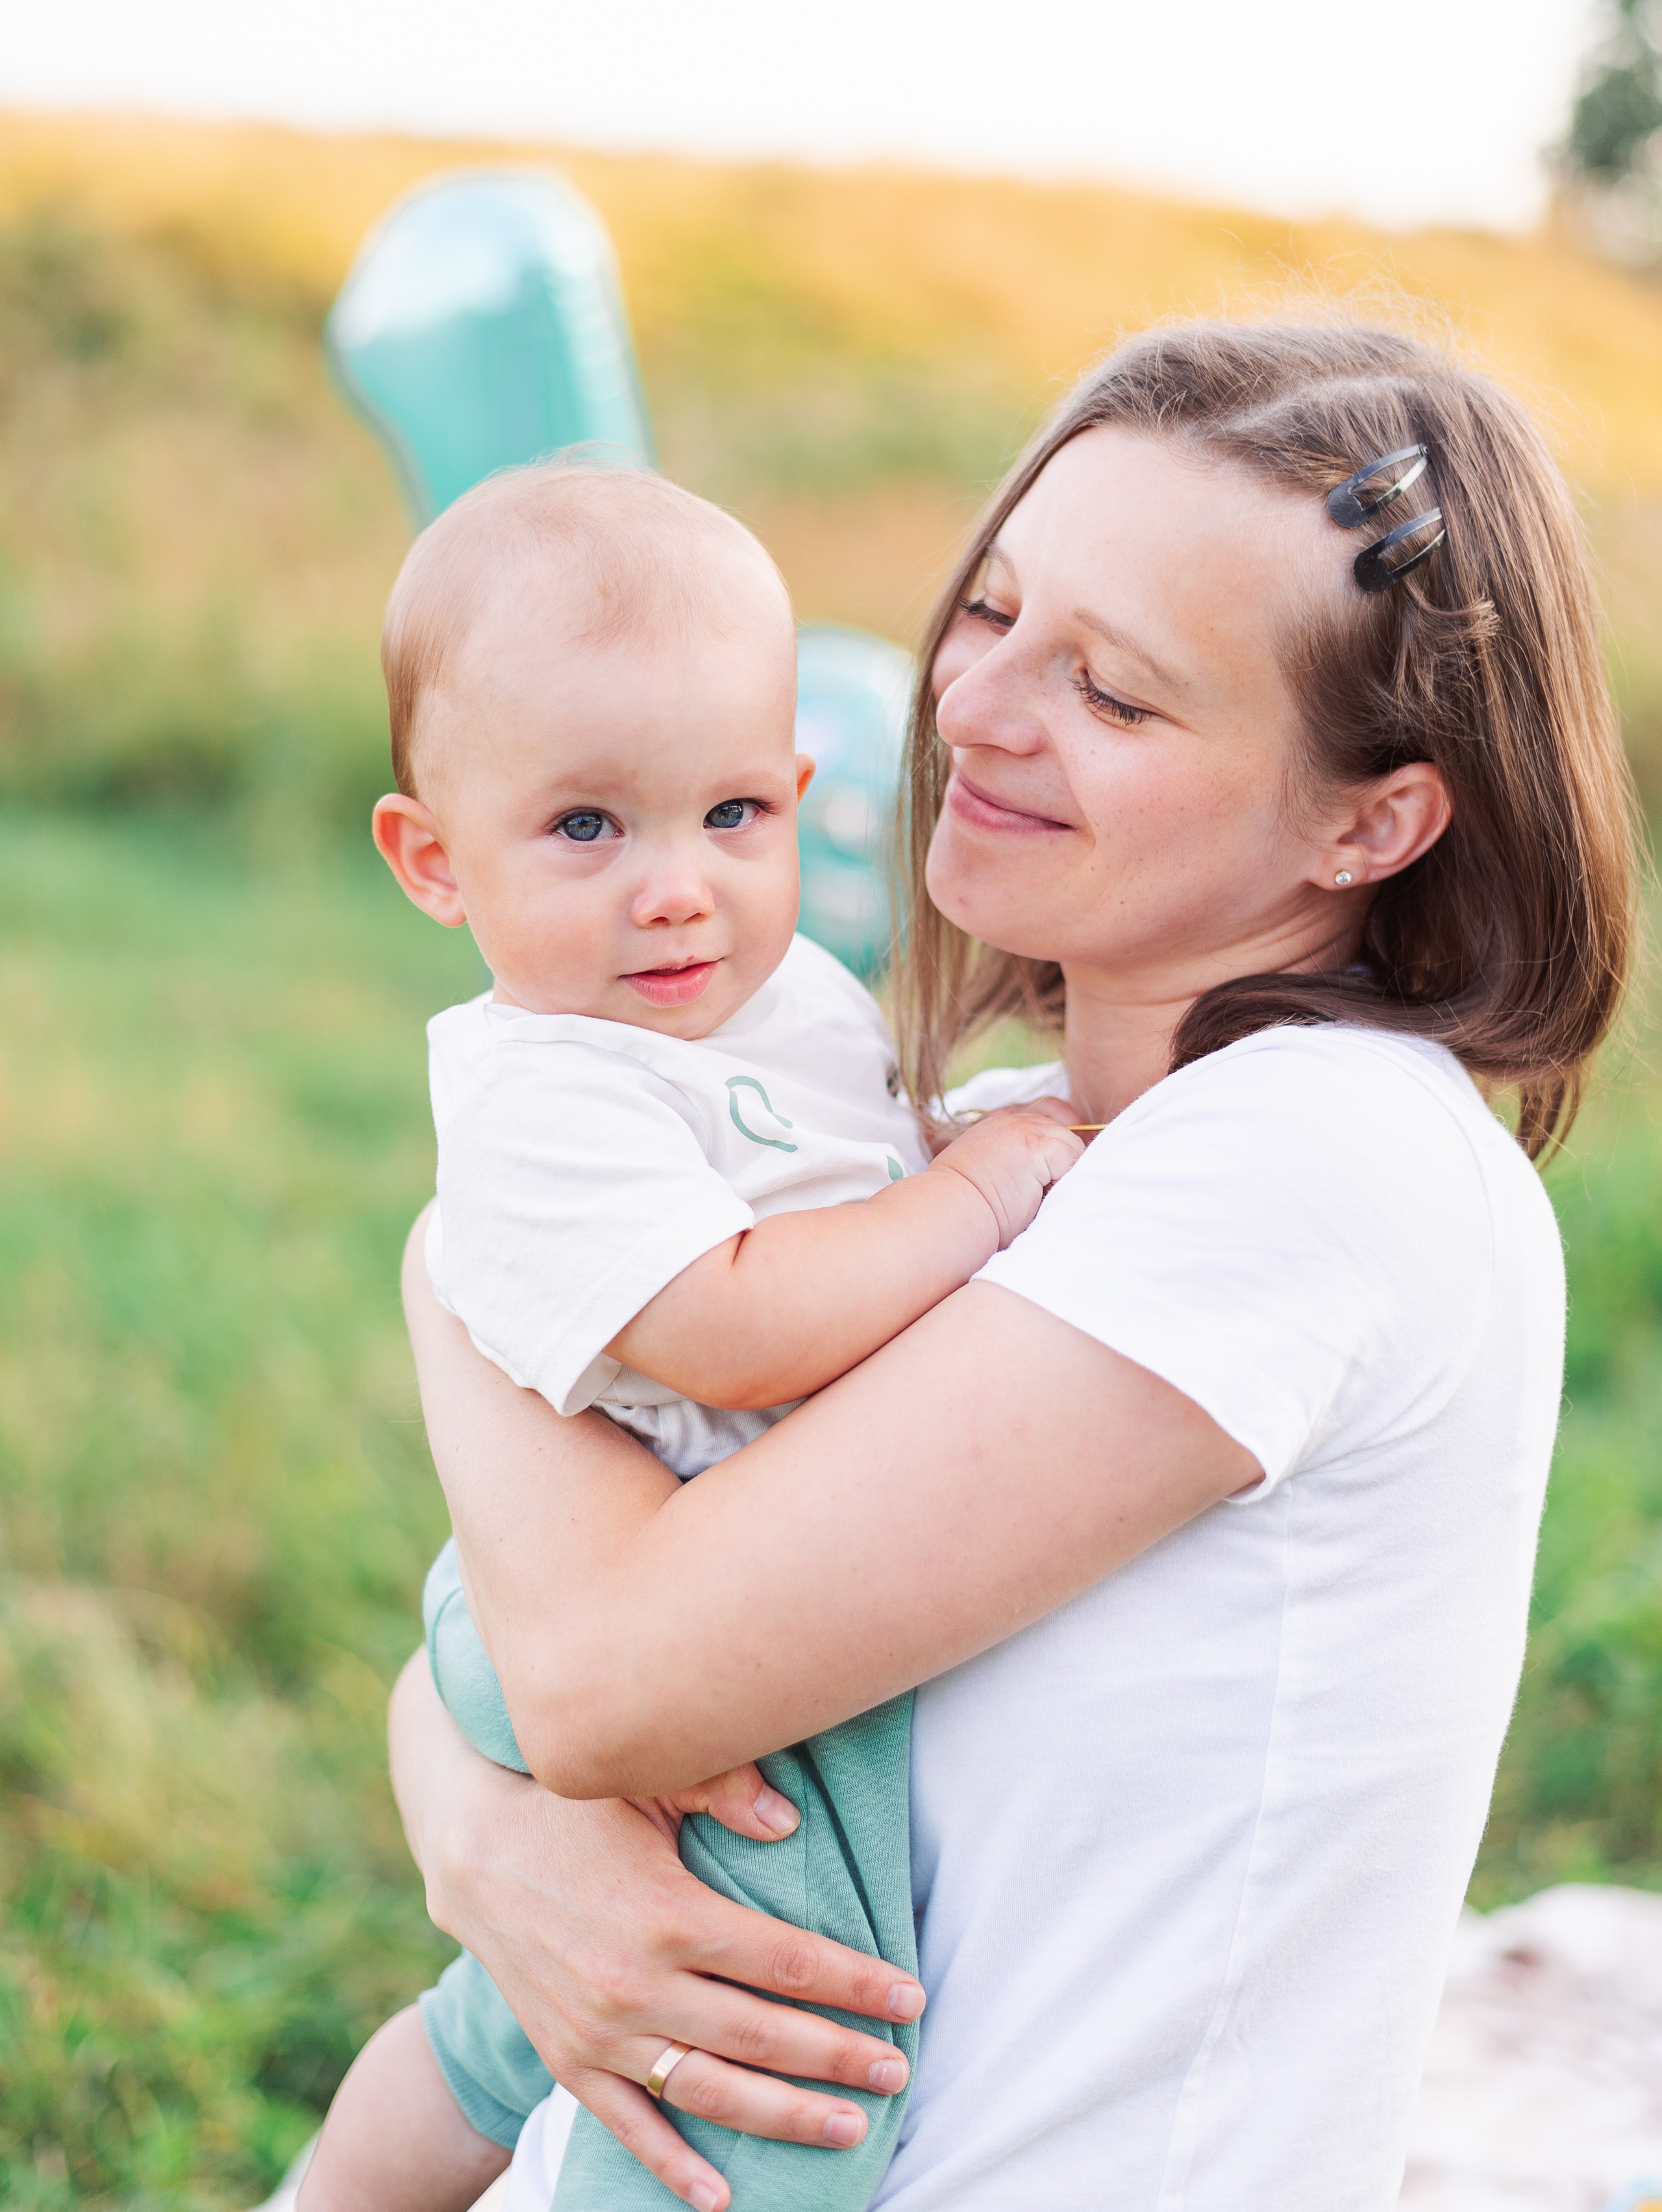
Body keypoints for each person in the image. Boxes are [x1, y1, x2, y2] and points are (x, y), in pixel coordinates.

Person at [389, 320, 1635, 2212]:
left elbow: (593, 1679)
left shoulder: (1320, 1156)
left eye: (1112, 692)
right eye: (991, 610)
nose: (971, 707)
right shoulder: (989, 1144)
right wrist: (487, 1836)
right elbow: (516, 1649)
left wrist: (460, 1267)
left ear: (1370, 819)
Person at [299, 463, 1082, 2212]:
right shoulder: (546, 1086)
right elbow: (729, 1324)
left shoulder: (774, 998)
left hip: (669, 1556)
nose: (676, 889)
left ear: (797, 795)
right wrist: (975, 1198)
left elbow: (846, 1170)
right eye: (587, 828)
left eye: (731, 813)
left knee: (511, 2019)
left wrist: (949, 1156)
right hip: (595, 1582)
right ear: (433, 861)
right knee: (776, 2038)